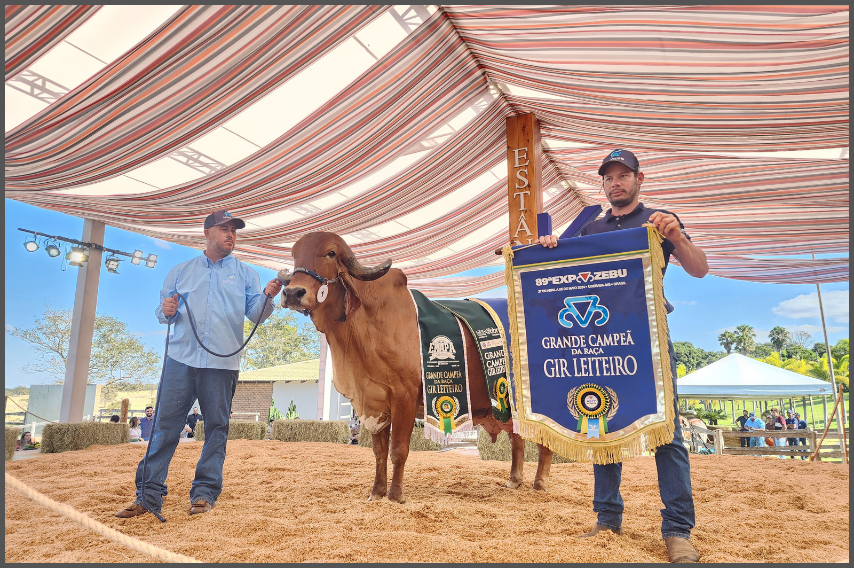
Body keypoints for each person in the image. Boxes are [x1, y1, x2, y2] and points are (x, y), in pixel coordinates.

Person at [538, 149, 709, 563]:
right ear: (603, 184)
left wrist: (678, 238)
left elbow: (700, 268)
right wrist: (550, 247)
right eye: (609, 177)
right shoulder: (591, 228)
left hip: (649, 337)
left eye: (623, 175)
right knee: (600, 421)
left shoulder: (659, 221)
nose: (616, 183)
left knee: (668, 432)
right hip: (601, 340)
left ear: (639, 179)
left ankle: (678, 530)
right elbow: (564, 274)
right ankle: (607, 519)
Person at [115, 209, 282, 519]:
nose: (231, 234)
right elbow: (164, 312)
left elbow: (256, 315)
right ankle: (147, 496)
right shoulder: (180, 272)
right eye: (224, 229)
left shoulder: (247, 274)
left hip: (222, 362)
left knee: (216, 429)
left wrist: (268, 297)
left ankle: (204, 494)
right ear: (207, 233)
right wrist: (165, 309)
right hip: (180, 359)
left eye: (234, 230)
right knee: (164, 428)